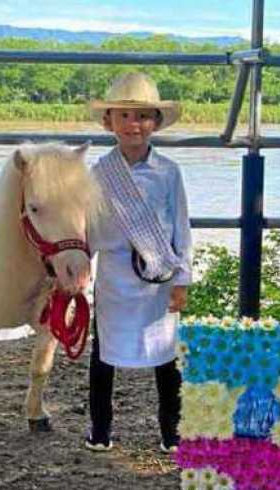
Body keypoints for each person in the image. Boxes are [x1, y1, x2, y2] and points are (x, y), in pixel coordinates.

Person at [85, 72, 193, 453]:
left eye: (144, 116)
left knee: (165, 355)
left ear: (156, 123)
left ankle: (172, 431)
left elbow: (181, 226)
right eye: (125, 115)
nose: (135, 124)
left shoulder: (169, 171)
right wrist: (80, 270)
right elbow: (90, 229)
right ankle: (100, 430)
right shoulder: (98, 173)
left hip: (158, 275)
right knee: (103, 354)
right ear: (108, 121)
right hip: (114, 277)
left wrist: (182, 279)